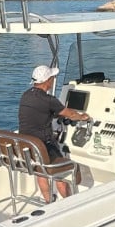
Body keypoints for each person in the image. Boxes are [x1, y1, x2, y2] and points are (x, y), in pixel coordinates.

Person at [18, 65, 90, 202]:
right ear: (47, 81)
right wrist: (83, 117)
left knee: (41, 171)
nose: (53, 79)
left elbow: (39, 113)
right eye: (52, 77)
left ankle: (48, 200)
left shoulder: (25, 96)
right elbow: (71, 114)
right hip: (43, 147)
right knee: (61, 174)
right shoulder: (49, 100)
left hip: (27, 147)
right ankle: (70, 203)